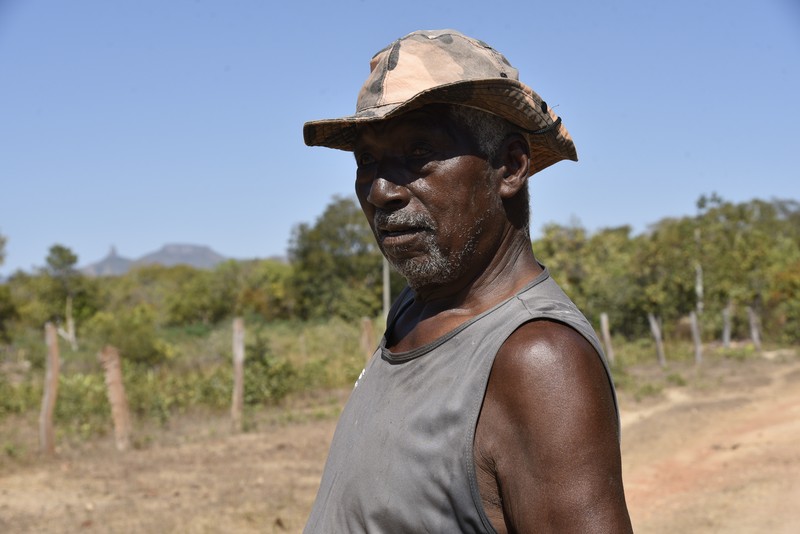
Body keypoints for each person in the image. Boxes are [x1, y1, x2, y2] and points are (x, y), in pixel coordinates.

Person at [302, 29, 632, 533]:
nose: (382, 191)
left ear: (510, 166)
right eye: (367, 160)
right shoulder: (415, 313)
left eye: (418, 152)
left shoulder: (538, 359)